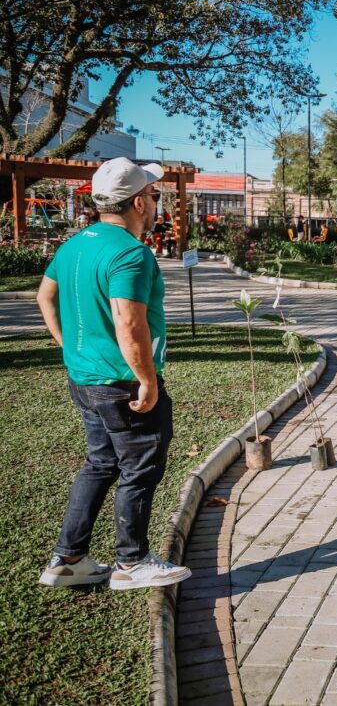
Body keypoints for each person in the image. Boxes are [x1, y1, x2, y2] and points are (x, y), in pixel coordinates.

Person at [35, 157, 191, 590]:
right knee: (140, 468)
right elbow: (128, 322)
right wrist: (147, 379)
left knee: (100, 463)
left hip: (84, 380)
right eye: (156, 196)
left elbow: (45, 296)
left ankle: (67, 561)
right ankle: (132, 561)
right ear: (139, 202)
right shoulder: (131, 253)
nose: (158, 203)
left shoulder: (74, 244)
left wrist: (69, 343)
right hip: (121, 383)